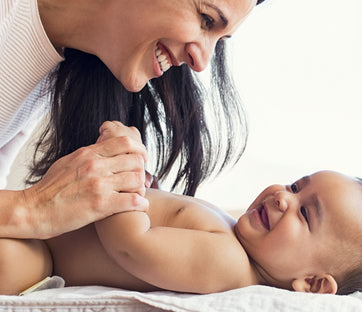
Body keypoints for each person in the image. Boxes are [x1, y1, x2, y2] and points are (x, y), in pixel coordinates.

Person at [0, 0, 264, 239]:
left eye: (221, 39)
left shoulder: (52, 65)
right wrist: (33, 208)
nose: (202, 62)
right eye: (206, 19)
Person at [0, 169, 362, 296]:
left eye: (305, 214)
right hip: (49, 225)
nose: (282, 198)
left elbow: (131, 246)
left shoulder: (229, 265)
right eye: (296, 187)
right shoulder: (233, 235)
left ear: (312, 283)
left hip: (45, 257)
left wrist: (121, 179)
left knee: (11, 260)